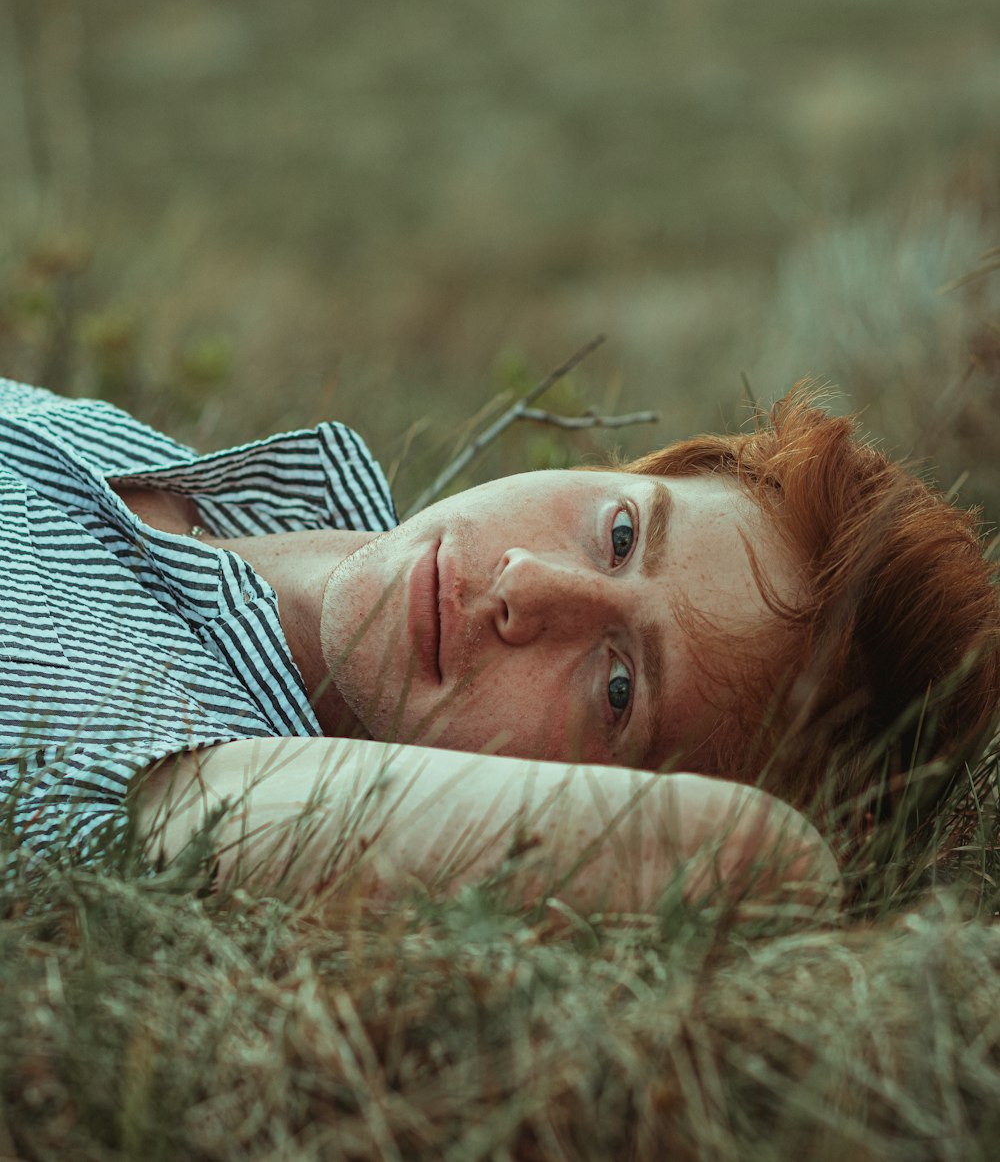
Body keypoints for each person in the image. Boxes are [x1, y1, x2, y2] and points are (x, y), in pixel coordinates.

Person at [1, 376, 996, 913]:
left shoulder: (178, 756)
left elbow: (761, 861)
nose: (528, 588)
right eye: (617, 533)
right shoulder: (140, 455)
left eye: (615, 690)